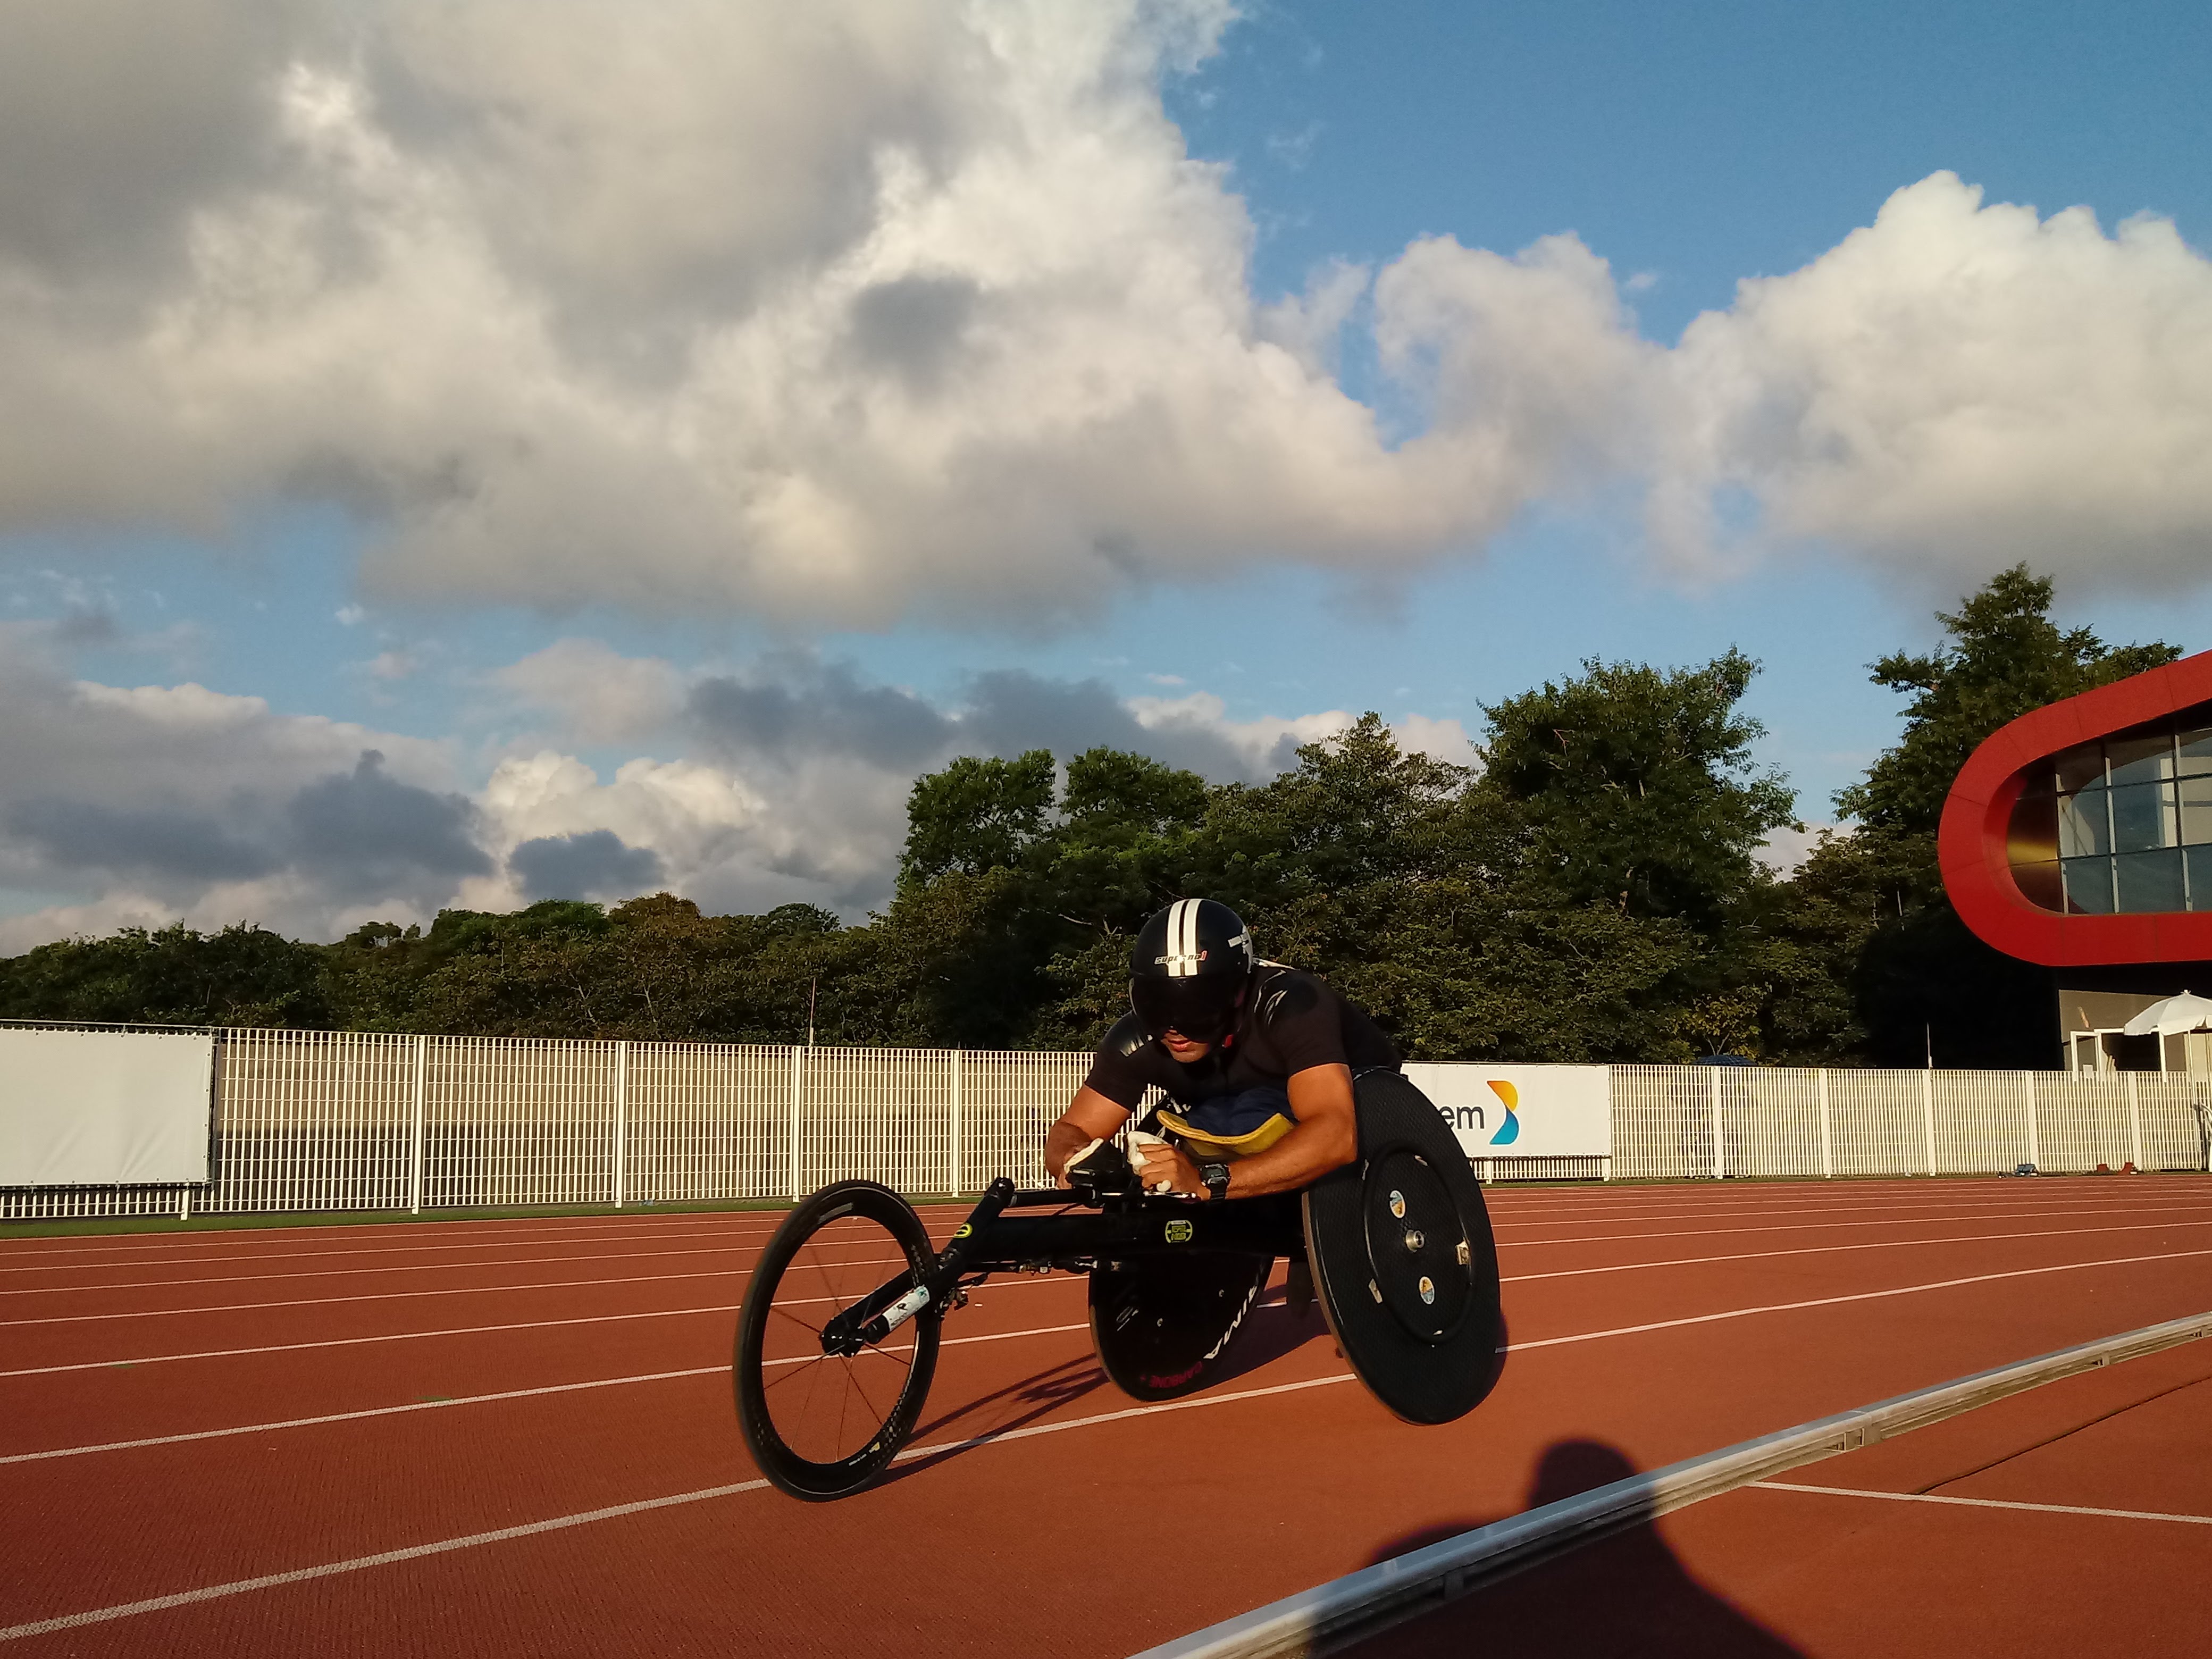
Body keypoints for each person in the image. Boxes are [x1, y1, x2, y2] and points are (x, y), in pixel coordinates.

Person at [1045, 898, 1401, 1202]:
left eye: (1196, 1007)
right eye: (1157, 1006)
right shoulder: (1135, 1039)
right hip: (1227, 1109)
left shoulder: (1291, 1007)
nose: (1175, 1028)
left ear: (1238, 995)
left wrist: (1208, 1181)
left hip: (1347, 1104)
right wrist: (1073, 1160)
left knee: (1313, 1254)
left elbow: (1336, 1137)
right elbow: (1073, 1127)